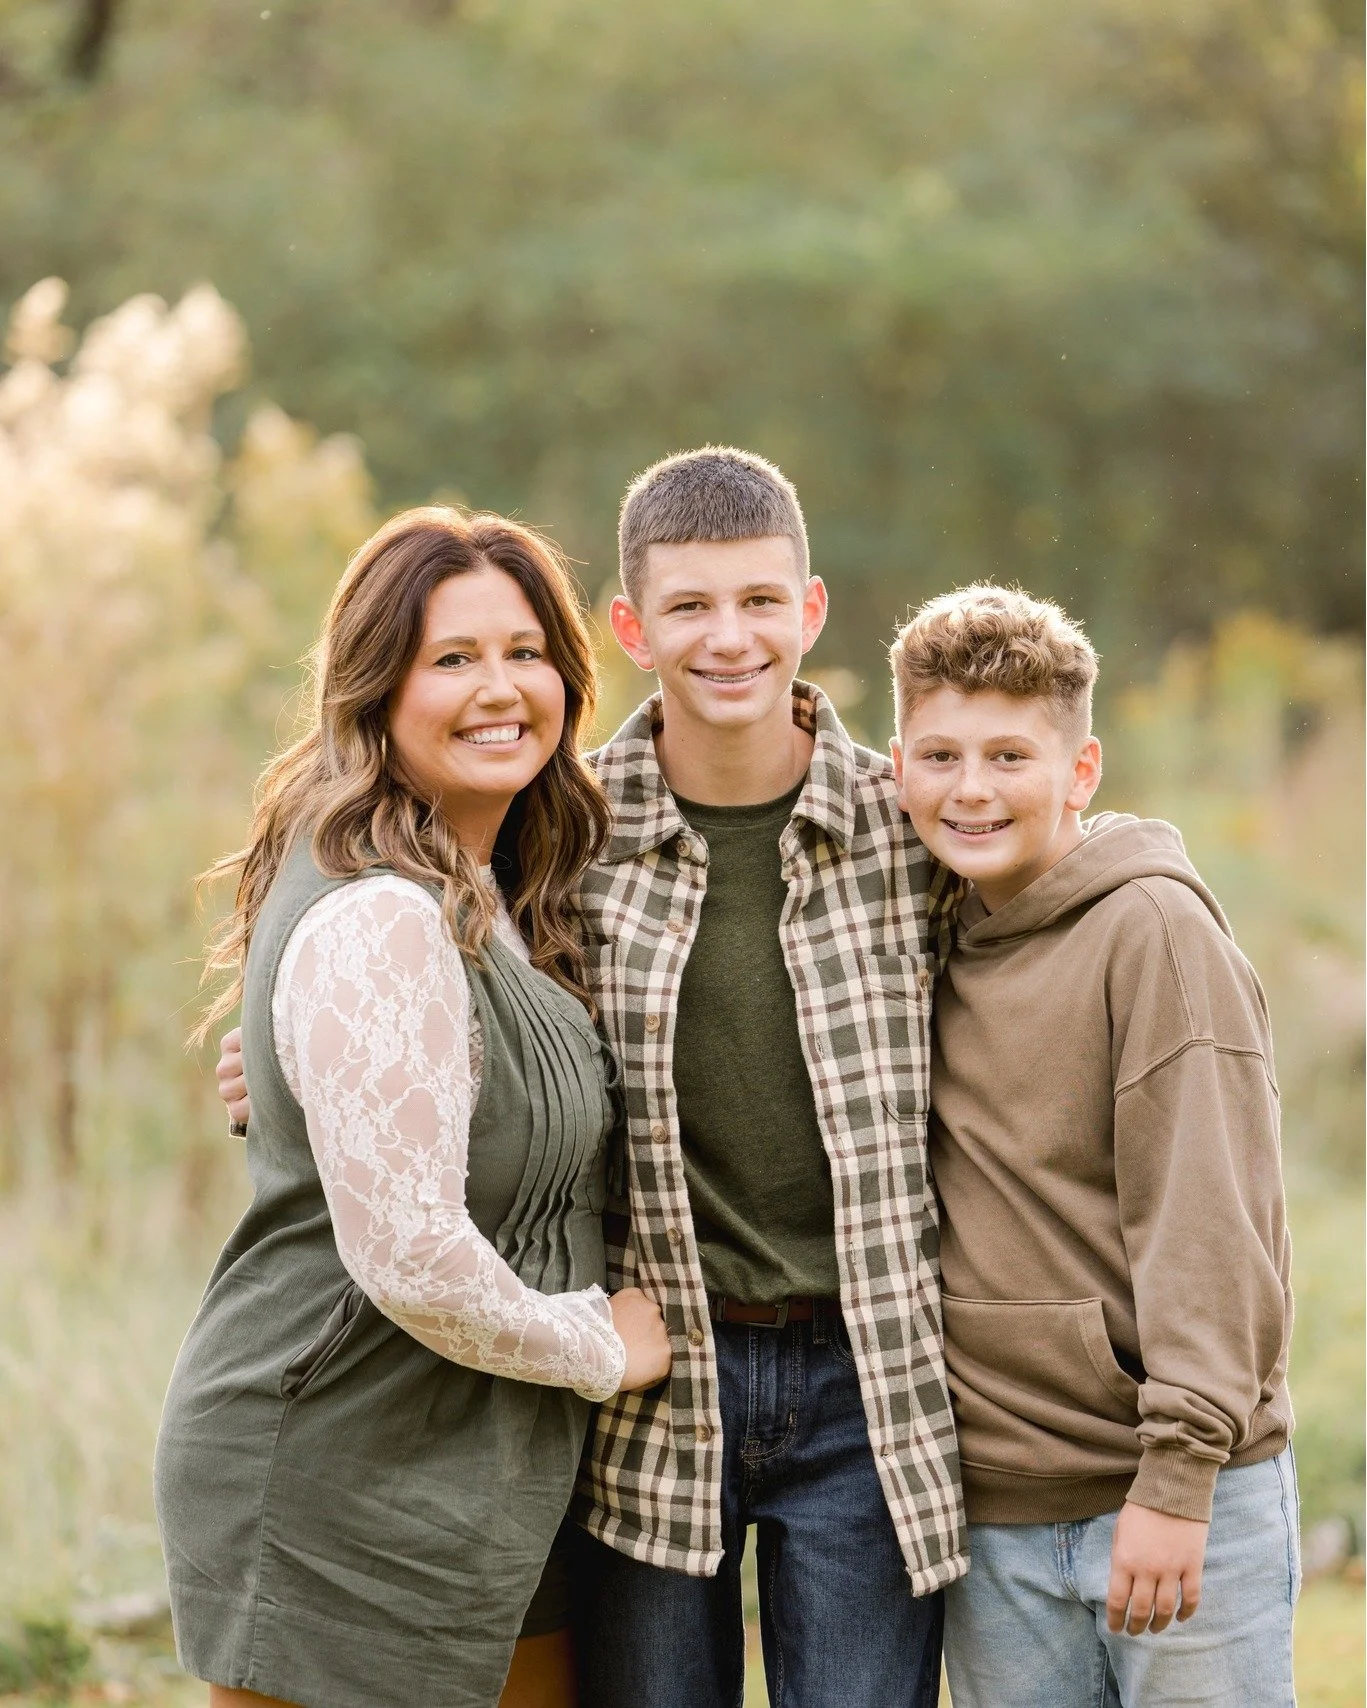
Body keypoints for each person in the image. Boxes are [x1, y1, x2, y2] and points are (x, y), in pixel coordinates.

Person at [222, 448, 967, 1707]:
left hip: (867, 1376)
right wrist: (287, 1061)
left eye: (758, 602)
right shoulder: (559, 827)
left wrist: (1146, 864)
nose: (727, 639)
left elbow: (1054, 884)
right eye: (687, 606)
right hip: (647, 1365)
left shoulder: (913, 827)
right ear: (627, 629)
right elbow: (403, 990)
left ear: (812, 610)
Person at [157, 507, 672, 1708]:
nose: (499, 689)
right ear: (377, 688)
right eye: (451, 659)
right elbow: (411, 1255)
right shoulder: (382, 910)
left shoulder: (491, 881)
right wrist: (606, 1344)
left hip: (487, 1474)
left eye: (523, 651)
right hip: (337, 1473)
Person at [890, 584, 1297, 1708]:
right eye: (940, 755)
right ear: (896, 768)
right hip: (994, 1515)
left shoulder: (1152, 931)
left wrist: (1173, 1482)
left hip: (1170, 1500)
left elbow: (1205, 1219)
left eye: (1009, 755)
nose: (970, 789)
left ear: (1080, 770)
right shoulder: (922, 935)